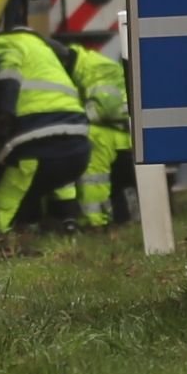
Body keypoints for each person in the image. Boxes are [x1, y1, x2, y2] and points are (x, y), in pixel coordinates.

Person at [0, 19, 89, 236]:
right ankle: (56, 224)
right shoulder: (39, 48)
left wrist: (5, 112)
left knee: (3, 201)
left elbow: (7, 73)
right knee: (29, 189)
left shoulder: (3, 44)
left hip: (37, 144)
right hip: (78, 145)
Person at [62, 32, 131, 228]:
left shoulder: (96, 69)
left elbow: (105, 109)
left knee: (95, 174)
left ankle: (96, 222)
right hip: (122, 136)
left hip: (113, 139)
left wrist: (76, 117)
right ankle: (105, 219)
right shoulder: (90, 67)